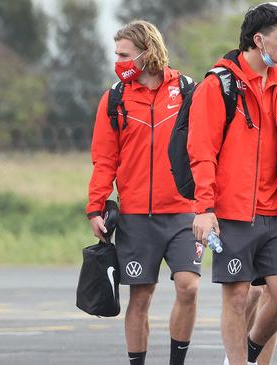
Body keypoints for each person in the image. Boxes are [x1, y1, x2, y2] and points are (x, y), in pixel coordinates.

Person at [187, 3, 277, 364]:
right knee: (235, 297)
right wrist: (204, 208)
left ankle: (249, 350)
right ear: (259, 40)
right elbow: (201, 153)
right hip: (233, 213)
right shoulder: (217, 85)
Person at [85, 20, 201, 365]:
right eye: (116, 54)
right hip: (136, 216)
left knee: (189, 287)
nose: (118, 61)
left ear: (147, 53)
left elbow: (205, 149)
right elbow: (104, 159)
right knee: (141, 297)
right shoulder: (115, 99)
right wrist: (95, 207)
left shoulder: (187, 90)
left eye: (124, 55)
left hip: (183, 212)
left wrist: (209, 201)